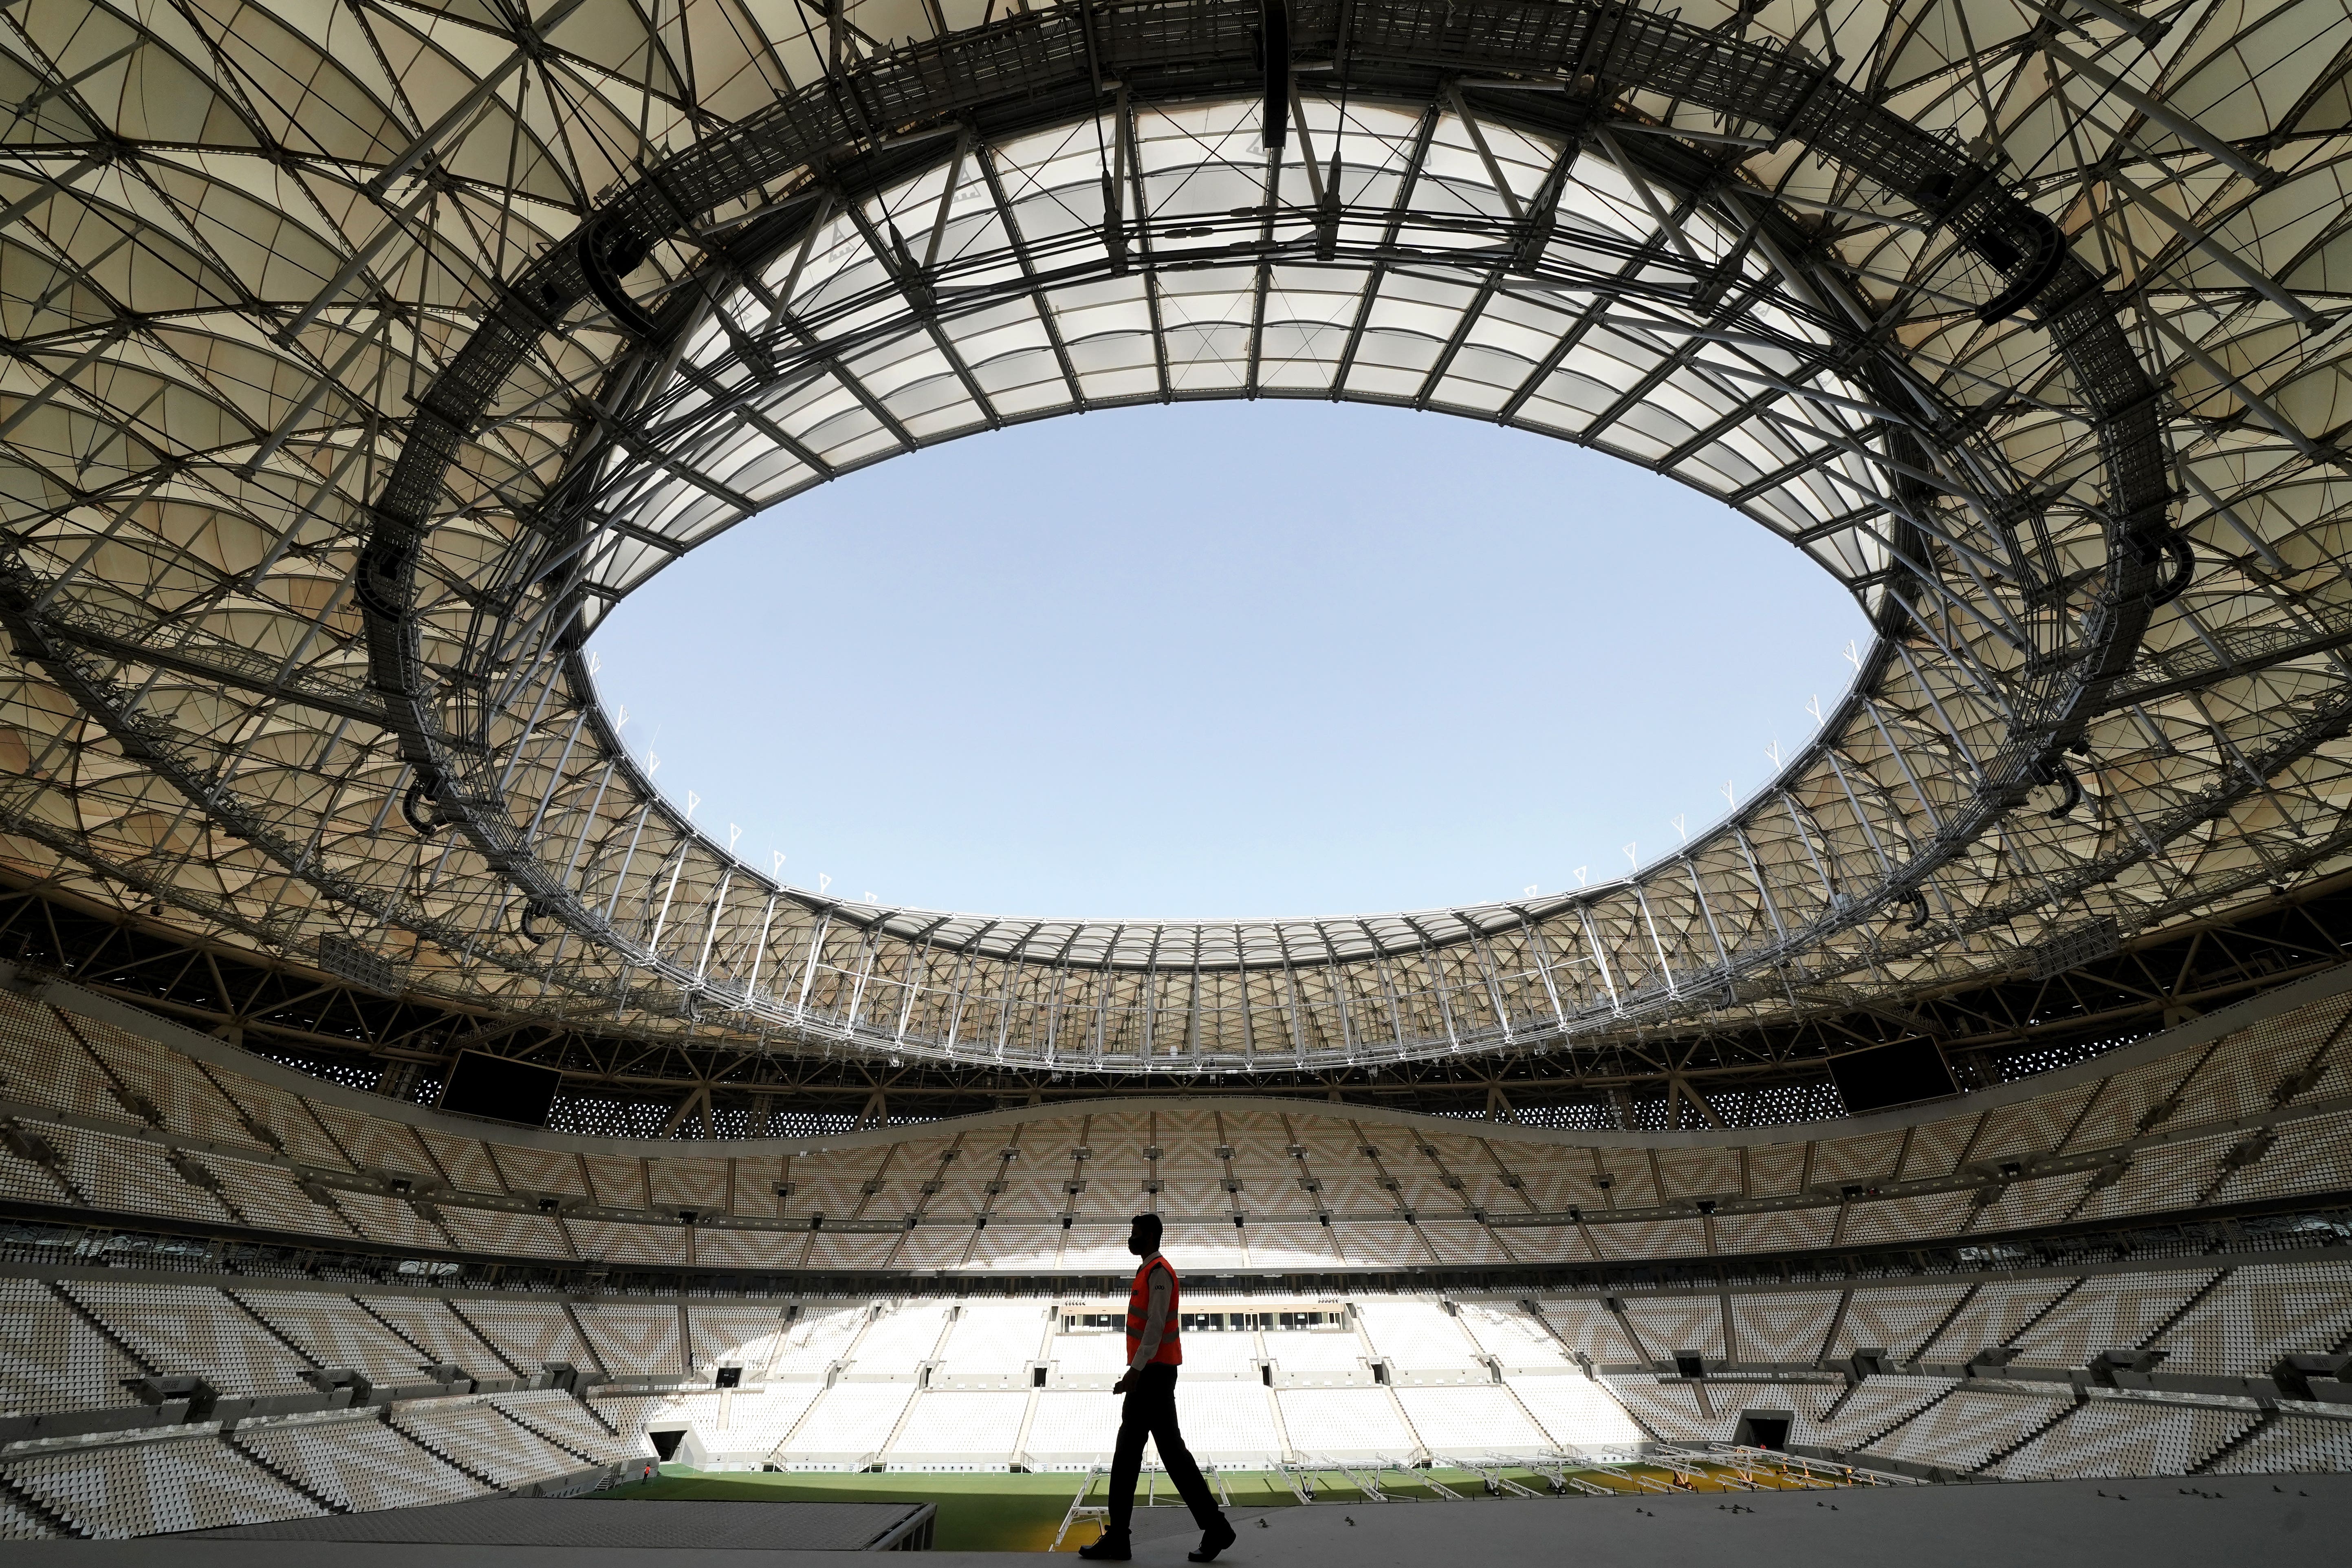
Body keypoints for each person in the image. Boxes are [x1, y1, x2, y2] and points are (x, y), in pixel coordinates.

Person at [1078, 1213, 1237, 1563]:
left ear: (1150, 1236)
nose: (1131, 1239)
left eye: (1135, 1234)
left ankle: (1122, 1537)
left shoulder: (1159, 1273)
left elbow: (1154, 1326)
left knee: (1130, 1456)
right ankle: (1215, 1527)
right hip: (1152, 1375)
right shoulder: (1149, 1271)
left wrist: (1135, 1371)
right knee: (1168, 1455)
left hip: (1151, 1376)